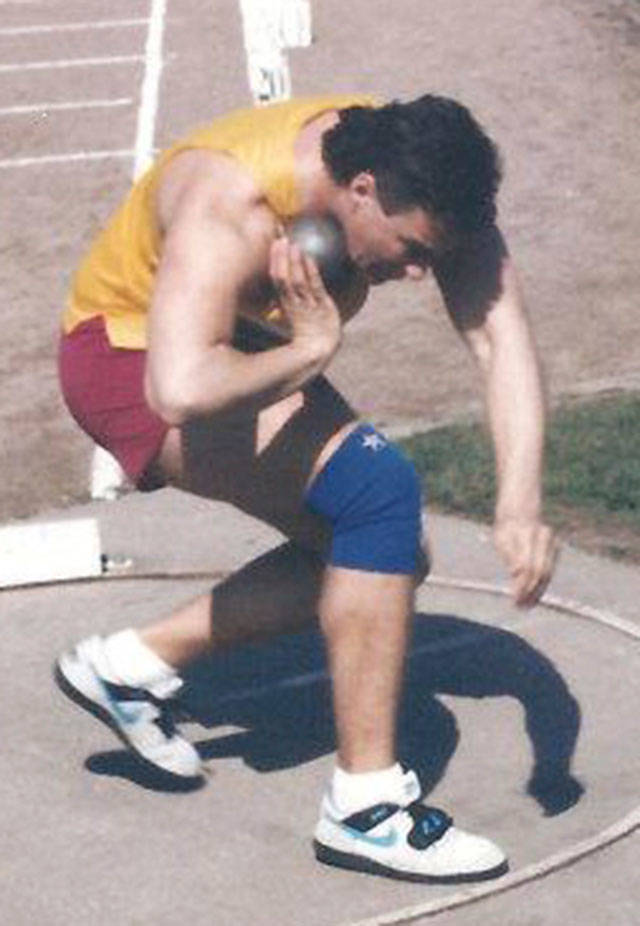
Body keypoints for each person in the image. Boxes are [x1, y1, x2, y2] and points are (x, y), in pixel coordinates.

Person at [55, 92, 557, 884]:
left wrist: (520, 504)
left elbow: (502, 337)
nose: (418, 273)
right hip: (129, 357)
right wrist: (310, 350)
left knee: (386, 555)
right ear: (362, 190)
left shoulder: (429, 178)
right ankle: (365, 810)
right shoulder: (232, 203)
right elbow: (178, 390)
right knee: (377, 493)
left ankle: (127, 667)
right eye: (410, 250)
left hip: (235, 340)